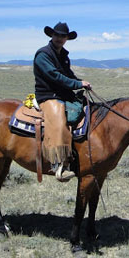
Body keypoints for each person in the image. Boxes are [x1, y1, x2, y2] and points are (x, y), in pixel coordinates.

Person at [33, 22, 91, 181]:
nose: (60, 38)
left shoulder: (63, 55)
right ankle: (58, 164)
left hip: (63, 94)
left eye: (63, 36)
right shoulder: (43, 55)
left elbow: (68, 74)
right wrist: (77, 84)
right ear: (52, 35)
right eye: (57, 35)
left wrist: (80, 82)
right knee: (59, 120)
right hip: (48, 95)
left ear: (67, 38)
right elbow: (54, 76)